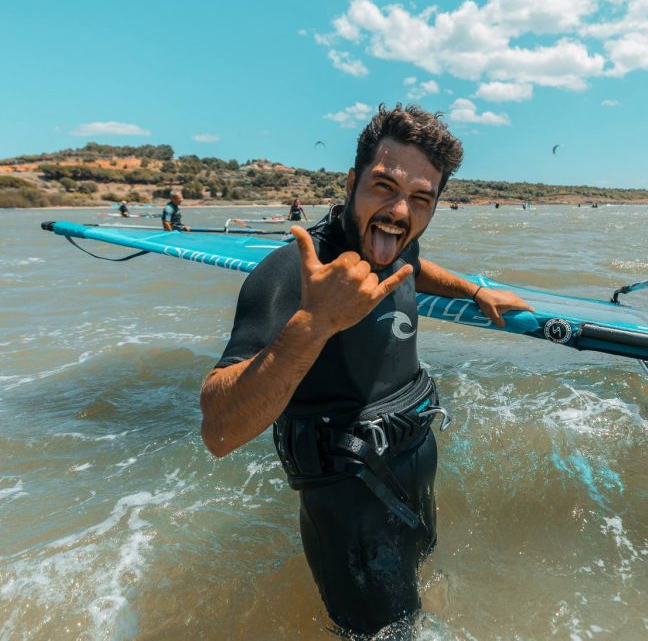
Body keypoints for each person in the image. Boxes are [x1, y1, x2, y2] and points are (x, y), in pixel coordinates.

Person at [199, 104, 531, 637]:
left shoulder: (397, 242)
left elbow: (413, 269)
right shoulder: (290, 274)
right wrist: (315, 323)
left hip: (410, 469)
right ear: (351, 181)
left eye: (421, 198)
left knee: (418, 591)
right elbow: (218, 429)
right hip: (350, 510)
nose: (400, 210)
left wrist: (473, 289)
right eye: (384, 186)